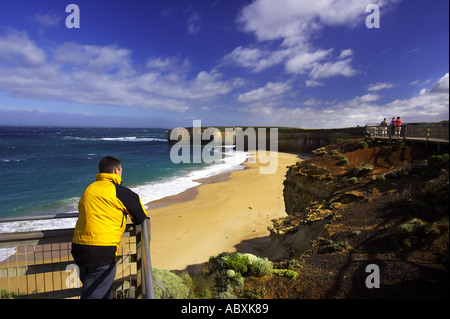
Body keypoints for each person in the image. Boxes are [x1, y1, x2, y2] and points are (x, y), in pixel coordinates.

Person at [71, 156, 148, 299]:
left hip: (78, 247)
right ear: (117, 171)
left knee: (91, 288)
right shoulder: (120, 191)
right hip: (102, 251)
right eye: (121, 170)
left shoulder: (89, 189)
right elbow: (140, 217)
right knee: (96, 293)